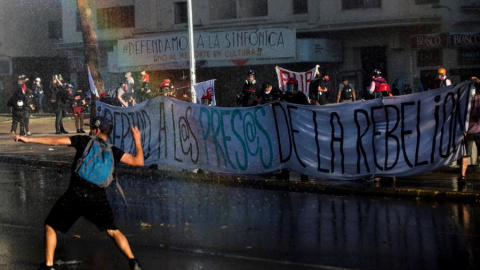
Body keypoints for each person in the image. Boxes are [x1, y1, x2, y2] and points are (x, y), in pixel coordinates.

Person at [14, 117, 144, 270]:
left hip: (75, 194)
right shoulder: (114, 151)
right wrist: (137, 140)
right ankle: (133, 262)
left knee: (51, 225)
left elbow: (55, 141)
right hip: (98, 196)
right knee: (113, 230)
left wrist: (28, 140)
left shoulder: (84, 141)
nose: (90, 130)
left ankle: (49, 266)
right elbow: (139, 162)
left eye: (92, 128)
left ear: (97, 129)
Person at [279, 77, 309, 182]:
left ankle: (303, 173)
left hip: (298, 127)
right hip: (287, 127)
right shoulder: (284, 97)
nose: (290, 90)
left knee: (300, 151)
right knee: (286, 150)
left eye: (292, 87)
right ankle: (285, 171)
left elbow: (307, 109)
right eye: (289, 87)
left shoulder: (301, 96)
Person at [460, 76, 480, 181]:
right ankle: (462, 176)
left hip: (468, 132)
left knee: (465, 155)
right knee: (466, 154)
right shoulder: (478, 98)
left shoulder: (465, 100)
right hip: (477, 130)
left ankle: (462, 176)